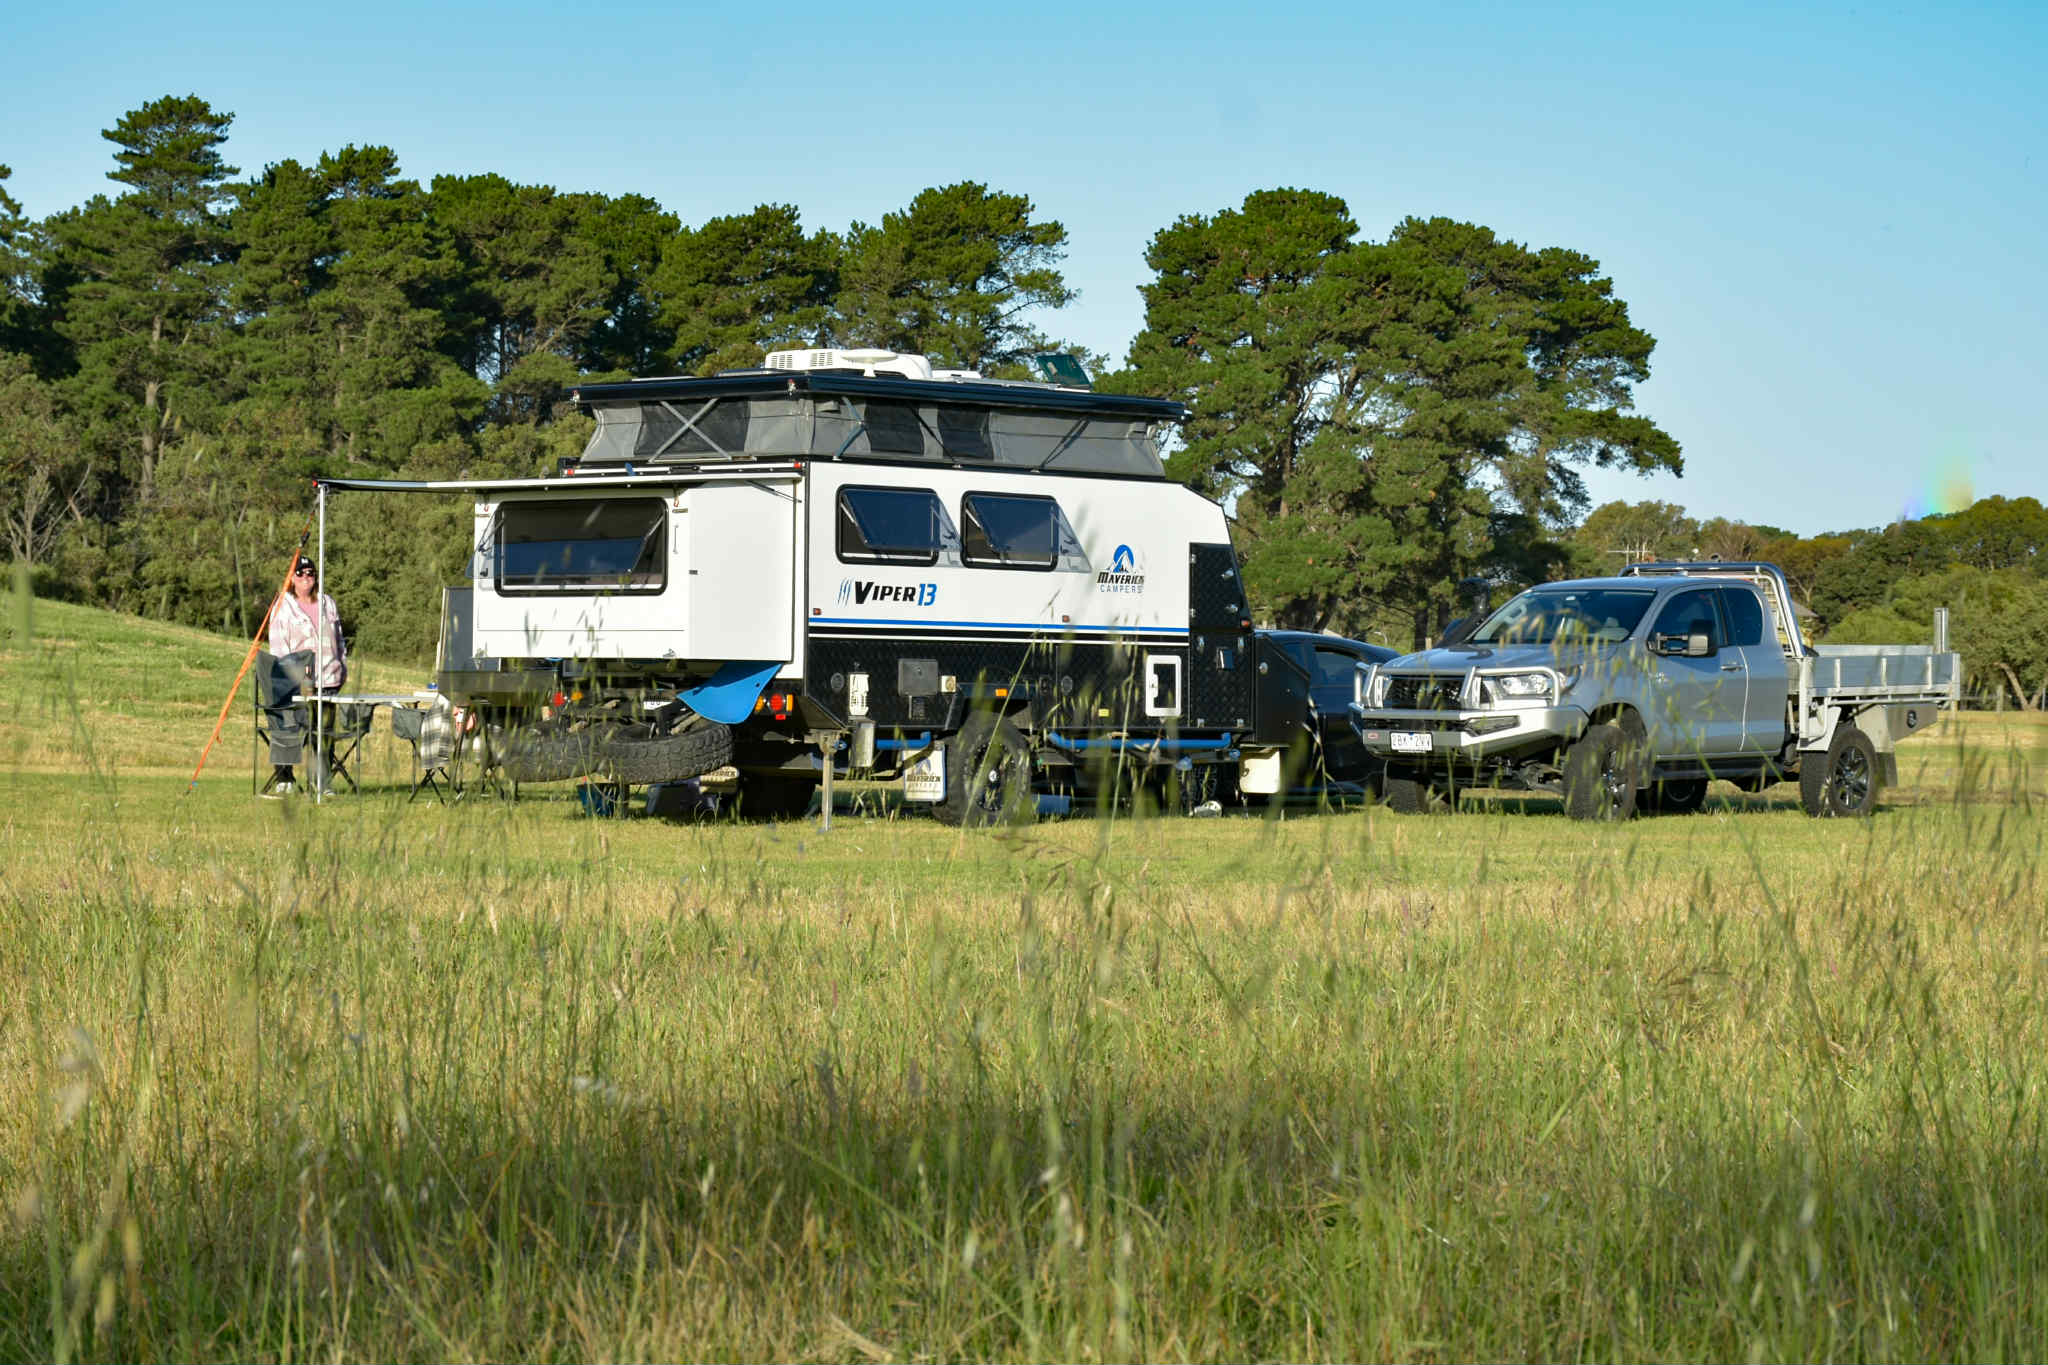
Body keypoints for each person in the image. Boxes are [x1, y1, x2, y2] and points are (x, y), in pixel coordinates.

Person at [265, 554, 348, 796]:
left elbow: (339, 639)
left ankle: (322, 782)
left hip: (329, 679)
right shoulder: (283, 606)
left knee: (324, 734)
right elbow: (279, 649)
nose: (306, 577)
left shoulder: (327, 603)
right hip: (296, 684)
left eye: (310, 573)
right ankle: (285, 778)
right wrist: (298, 679)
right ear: (291, 578)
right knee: (288, 729)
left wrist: (342, 667)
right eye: (300, 573)